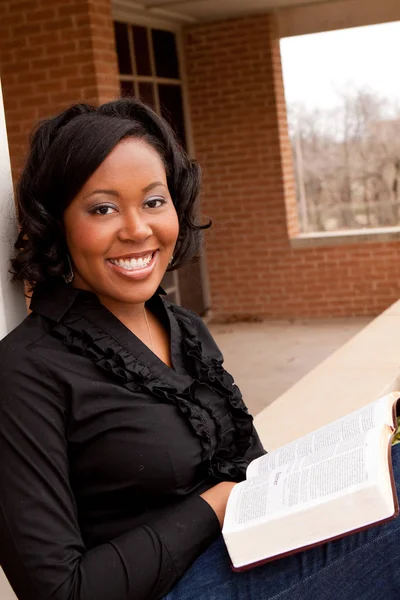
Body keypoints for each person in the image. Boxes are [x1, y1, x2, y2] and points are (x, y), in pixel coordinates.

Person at [0, 99, 399, 600]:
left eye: (153, 201)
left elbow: (254, 468)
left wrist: (353, 450)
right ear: (58, 222)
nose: (137, 229)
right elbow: (59, 591)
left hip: (247, 557)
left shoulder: (184, 328)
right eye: (103, 208)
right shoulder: (25, 370)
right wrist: (218, 505)